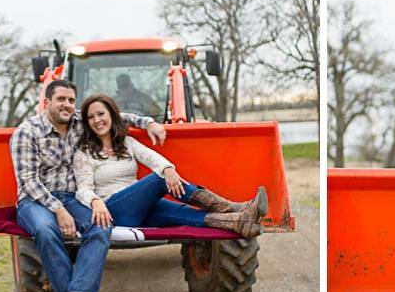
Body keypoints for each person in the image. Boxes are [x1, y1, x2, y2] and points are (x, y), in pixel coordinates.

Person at [10, 79, 165, 292]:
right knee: (47, 231)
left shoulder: (79, 121)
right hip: (35, 199)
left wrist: (148, 122)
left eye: (71, 100)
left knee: (101, 225)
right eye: (61, 99)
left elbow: (115, 115)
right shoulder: (27, 132)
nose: (67, 105)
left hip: (72, 197)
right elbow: (28, 182)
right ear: (47, 102)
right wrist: (59, 211)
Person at [73, 93, 266, 238]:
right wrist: (95, 202)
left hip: (141, 209)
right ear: (87, 123)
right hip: (114, 210)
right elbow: (83, 189)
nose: (97, 120)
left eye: (101, 114)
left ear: (112, 115)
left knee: (182, 212)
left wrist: (168, 168)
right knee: (159, 179)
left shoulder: (126, 142)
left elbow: (150, 157)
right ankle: (232, 207)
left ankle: (240, 222)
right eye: (91, 117)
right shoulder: (83, 152)